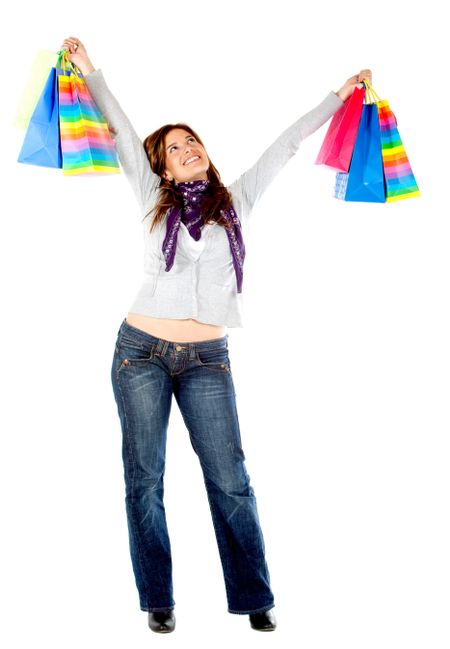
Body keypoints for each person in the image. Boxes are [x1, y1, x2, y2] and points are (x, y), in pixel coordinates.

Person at [60, 35, 371, 634]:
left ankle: (255, 598)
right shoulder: (153, 198)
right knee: (144, 478)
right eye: (174, 148)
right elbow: (121, 128)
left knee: (230, 479)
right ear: (162, 167)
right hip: (139, 353)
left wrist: (341, 95)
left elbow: (287, 142)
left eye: (191, 141)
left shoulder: (239, 199)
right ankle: (158, 598)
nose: (187, 149)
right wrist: (88, 70)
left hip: (208, 359)